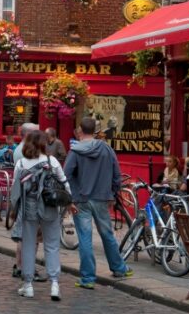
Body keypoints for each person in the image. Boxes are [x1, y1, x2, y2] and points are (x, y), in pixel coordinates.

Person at [64, 117, 133, 289]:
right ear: (94, 130)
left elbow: (65, 175)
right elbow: (117, 174)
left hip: (81, 199)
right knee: (107, 234)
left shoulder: (75, 151)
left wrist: (70, 195)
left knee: (85, 237)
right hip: (102, 198)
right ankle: (119, 268)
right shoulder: (106, 149)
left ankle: (88, 278)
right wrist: (114, 193)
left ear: (80, 130)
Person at [10, 130, 70, 300]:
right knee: (52, 245)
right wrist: (70, 203)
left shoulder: (21, 164)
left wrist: (14, 210)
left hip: (29, 210)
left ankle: (28, 285)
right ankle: (54, 284)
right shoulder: (52, 161)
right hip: (49, 207)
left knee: (28, 245)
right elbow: (64, 183)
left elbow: (15, 190)